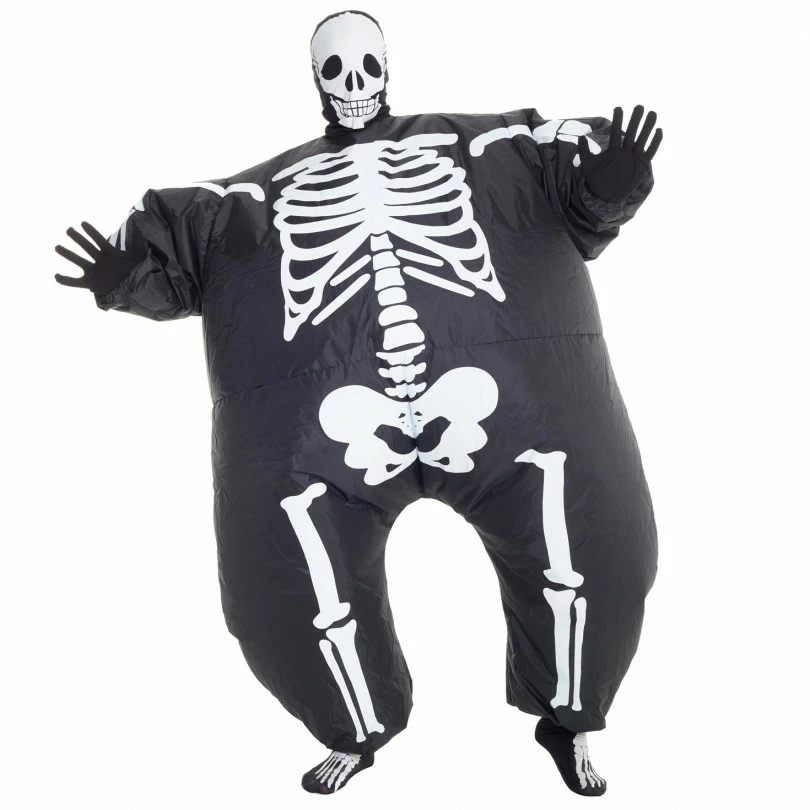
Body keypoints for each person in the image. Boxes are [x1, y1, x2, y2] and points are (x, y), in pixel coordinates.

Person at [55, 9, 662, 797]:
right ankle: (356, 726)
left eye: (365, 65)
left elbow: (581, 196)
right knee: (278, 581)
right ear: (315, 79)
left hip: (502, 399)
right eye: (335, 69)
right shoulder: (242, 200)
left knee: (598, 537)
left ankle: (570, 716)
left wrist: (613, 185)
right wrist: (124, 279)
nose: (353, 84)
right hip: (330, 422)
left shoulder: (496, 145)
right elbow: (172, 268)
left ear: (387, 65)